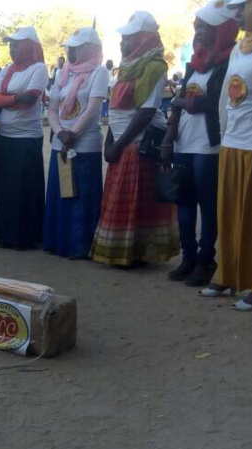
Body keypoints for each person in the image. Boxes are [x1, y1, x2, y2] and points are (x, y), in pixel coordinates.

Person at [92, 12, 179, 268]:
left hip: (138, 144)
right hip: (122, 142)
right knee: (122, 199)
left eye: (128, 38)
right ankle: (122, 252)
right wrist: (110, 141)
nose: (122, 43)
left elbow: (146, 111)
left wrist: (118, 144)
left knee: (134, 201)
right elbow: (117, 109)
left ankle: (134, 253)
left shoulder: (154, 67)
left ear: (142, 39)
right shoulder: (127, 67)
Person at [160, 3, 238, 286]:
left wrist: (183, 101)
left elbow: (214, 101)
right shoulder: (195, 63)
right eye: (198, 27)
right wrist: (169, 138)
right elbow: (179, 105)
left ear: (221, 31)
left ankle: (206, 260)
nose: (199, 33)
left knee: (207, 205)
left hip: (208, 146)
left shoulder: (230, 62)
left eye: (205, 28)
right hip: (184, 143)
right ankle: (188, 257)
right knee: (184, 203)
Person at [201, 0, 252, 311]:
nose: (237, 12)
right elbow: (226, 96)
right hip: (233, 142)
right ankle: (227, 276)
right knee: (229, 211)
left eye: (243, 6)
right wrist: (223, 135)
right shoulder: (238, 49)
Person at [43, 27, 108, 259]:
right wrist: (60, 132)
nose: (70, 52)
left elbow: (93, 109)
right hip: (62, 142)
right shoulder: (64, 73)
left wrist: (73, 134)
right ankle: (59, 242)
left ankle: (80, 246)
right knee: (61, 194)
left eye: (75, 48)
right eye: (69, 48)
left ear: (89, 49)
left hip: (85, 143)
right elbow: (52, 109)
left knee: (82, 196)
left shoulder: (99, 72)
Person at [0, 26, 49, 249]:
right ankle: (6, 234)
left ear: (28, 46)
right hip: (5, 136)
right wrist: (14, 97)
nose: (12, 49)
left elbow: (31, 100)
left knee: (25, 188)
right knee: (5, 187)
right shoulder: (7, 70)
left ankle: (25, 236)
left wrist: (7, 98)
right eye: (10, 45)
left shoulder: (39, 69)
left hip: (27, 137)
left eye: (16, 45)